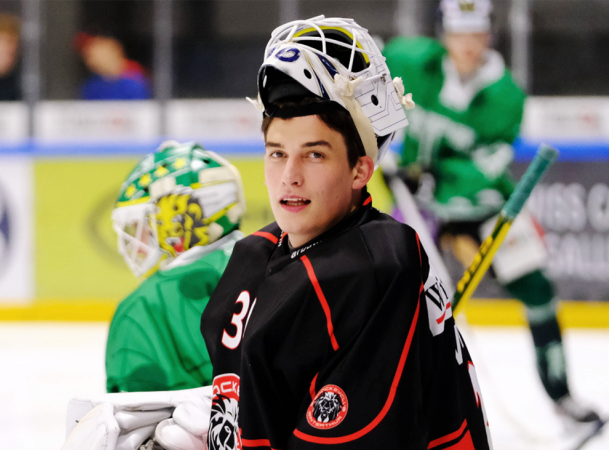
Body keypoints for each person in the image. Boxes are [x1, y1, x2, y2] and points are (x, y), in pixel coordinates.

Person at [200, 15, 492, 449]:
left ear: (361, 169)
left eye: (314, 155)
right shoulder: (254, 257)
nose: (289, 177)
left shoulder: (373, 267)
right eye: (277, 153)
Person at [382, 0, 601, 425]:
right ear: (443, 32)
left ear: (490, 34)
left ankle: (562, 397)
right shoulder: (412, 59)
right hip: (416, 206)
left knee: (536, 288)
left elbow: (486, 168)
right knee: (387, 295)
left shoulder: (506, 95)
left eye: (477, 33)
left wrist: (433, 177)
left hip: (480, 207)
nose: (468, 44)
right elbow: (361, 63)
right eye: (459, 32)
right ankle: (385, 397)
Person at [106, 141, 246, 393]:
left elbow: (130, 414)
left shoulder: (143, 306)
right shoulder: (276, 264)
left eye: (149, 224)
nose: (140, 242)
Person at [74, 31, 152, 100]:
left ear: (113, 48)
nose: (91, 61)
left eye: (93, 54)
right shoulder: (91, 86)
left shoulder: (137, 78)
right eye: (87, 56)